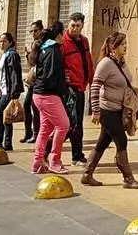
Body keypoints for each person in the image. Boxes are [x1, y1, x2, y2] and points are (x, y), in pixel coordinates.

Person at [82, 30, 138, 188]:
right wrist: (95, 111)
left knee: (103, 142)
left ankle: (87, 174)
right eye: (122, 44)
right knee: (121, 140)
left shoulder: (121, 63)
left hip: (118, 109)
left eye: (126, 44)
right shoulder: (106, 63)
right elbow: (95, 86)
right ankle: (128, 178)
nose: (125, 47)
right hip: (107, 110)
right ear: (113, 47)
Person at [30, 21, 72, 174]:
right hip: (48, 95)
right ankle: (54, 161)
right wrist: (63, 87)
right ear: (59, 35)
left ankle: (37, 162)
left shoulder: (44, 48)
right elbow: (50, 76)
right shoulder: (53, 51)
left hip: (40, 94)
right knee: (64, 125)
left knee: (45, 129)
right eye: (64, 33)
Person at [61, 12, 96, 165]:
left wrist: (92, 81)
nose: (75, 29)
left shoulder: (85, 41)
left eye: (78, 26)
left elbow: (88, 62)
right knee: (73, 124)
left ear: (82, 26)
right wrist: (64, 76)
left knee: (76, 123)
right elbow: (58, 63)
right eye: (72, 25)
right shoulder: (63, 42)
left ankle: (48, 150)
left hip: (81, 87)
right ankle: (76, 156)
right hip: (70, 88)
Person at [0, 32, 24, 151]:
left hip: (9, 92)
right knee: (7, 117)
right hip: (4, 91)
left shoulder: (12, 55)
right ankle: (7, 143)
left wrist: (14, 93)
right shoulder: (5, 55)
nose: (2, 43)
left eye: (4, 41)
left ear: (10, 42)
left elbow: (15, 74)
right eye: (0, 41)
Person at [21, 21, 45, 144]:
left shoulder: (41, 44)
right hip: (33, 79)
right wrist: (27, 55)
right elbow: (31, 63)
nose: (33, 33)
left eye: (36, 30)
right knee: (27, 105)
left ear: (41, 30)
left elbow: (35, 60)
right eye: (32, 31)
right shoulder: (34, 43)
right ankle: (28, 132)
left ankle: (36, 133)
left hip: (39, 80)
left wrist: (30, 53)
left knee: (35, 107)